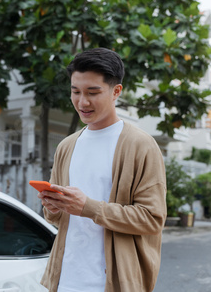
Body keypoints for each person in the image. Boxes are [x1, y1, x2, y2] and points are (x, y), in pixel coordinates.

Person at [39, 48, 167, 292]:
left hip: (113, 283)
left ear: (116, 91)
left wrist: (88, 207)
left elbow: (152, 219)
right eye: (75, 91)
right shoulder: (67, 146)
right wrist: (53, 207)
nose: (82, 102)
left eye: (93, 92)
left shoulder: (140, 145)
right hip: (65, 280)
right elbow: (56, 218)